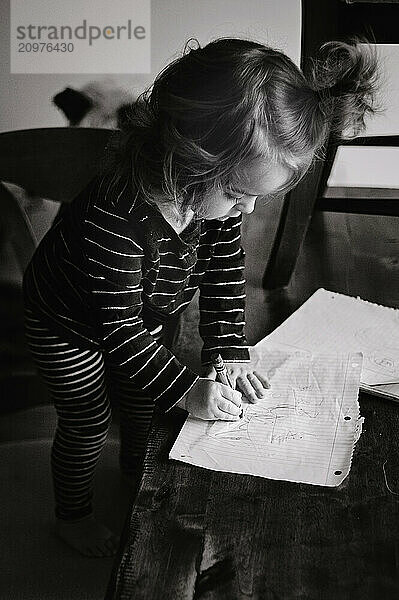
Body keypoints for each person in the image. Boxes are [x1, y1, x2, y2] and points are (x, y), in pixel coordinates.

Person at [23, 36, 378, 557]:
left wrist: (227, 348)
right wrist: (189, 389)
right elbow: (118, 331)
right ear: (188, 162)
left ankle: (134, 484)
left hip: (148, 308)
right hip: (70, 322)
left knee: (143, 405)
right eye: (239, 194)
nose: (249, 210)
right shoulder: (113, 219)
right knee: (88, 419)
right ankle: (71, 516)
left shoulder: (211, 201)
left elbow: (223, 274)